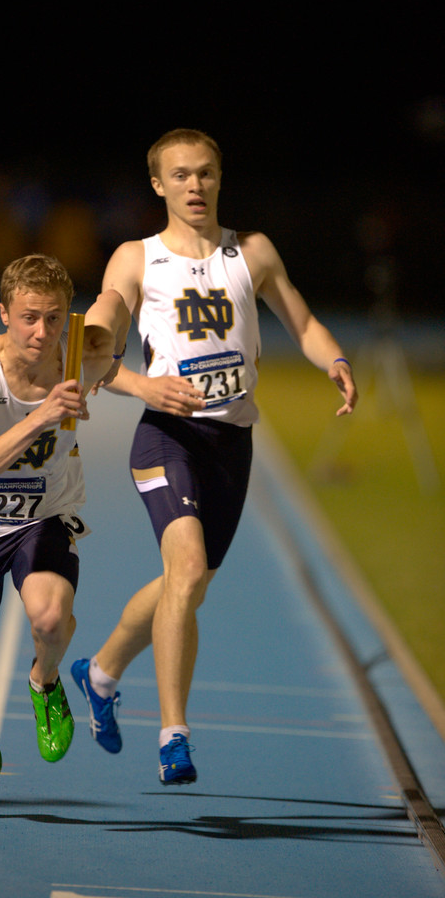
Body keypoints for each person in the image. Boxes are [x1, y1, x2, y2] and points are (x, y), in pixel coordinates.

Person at [71, 128, 358, 785]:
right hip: (167, 437)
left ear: (220, 178)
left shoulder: (250, 253)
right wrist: (131, 370)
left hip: (233, 444)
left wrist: (335, 359)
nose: (194, 185)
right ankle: (174, 735)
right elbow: (101, 337)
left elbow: (304, 323)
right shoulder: (136, 259)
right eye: (180, 175)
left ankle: (103, 670)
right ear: (157, 184)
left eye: (204, 173)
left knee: (188, 583)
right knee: (190, 569)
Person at [0, 253, 130, 817]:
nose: (41, 333)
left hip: (46, 514)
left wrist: (109, 339)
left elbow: (117, 299)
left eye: (52, 318)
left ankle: (44, 682)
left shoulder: (79, 352)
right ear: (4, 314)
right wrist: (42, 416)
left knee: (48, 617)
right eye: (27, 318)